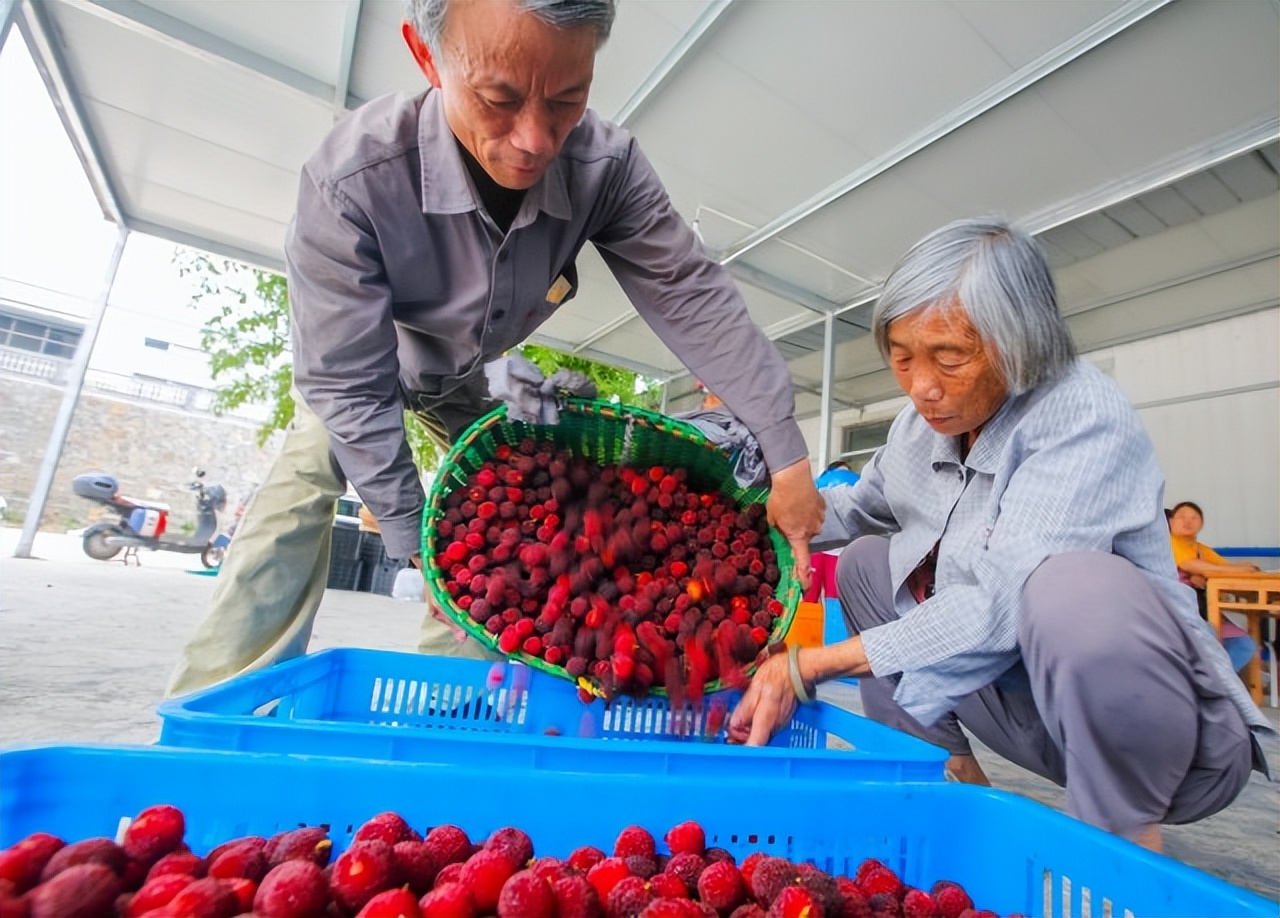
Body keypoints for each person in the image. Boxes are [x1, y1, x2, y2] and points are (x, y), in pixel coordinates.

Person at [166, 0, 824, 698]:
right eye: (498, 100)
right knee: (303, 485)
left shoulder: (606, 165)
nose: (536, 139)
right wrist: (409, 537)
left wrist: (786, 457)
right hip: (370, 364)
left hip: (469, 375)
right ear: (428, 58)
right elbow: (348, 385)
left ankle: (455, 707)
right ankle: (215, 704)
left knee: (507, 519)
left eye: (568, 98)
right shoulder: (353, 177)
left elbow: (689, 294)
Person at [728, 217, 1271, 852]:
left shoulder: (1081, 416)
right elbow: (858, 509)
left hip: (1163, 745)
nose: (922, 388)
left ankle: (1119, 850)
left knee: (1069, 586)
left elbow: (998, 604)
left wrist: (809, 664)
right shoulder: (917, 425)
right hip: (1015, 714)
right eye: (902, 359)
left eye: (951, 358)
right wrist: (756, 507)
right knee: (867, 564)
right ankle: (953, 794)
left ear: (1021, 344)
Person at [1167, 501, 1260, 673]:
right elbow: (1190, 565)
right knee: (1209, 637)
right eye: (1181, 517)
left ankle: (1215, 686)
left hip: (1204, 611)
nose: (1187, 521)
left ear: (1201, 524)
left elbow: (1225, 569)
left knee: (1244, 645)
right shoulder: (1167, 543)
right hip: (1175, 612)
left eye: (1194, 518)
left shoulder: (1202, 550)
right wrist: (1235, 569)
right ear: (1171, 522)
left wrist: (1242, 569)